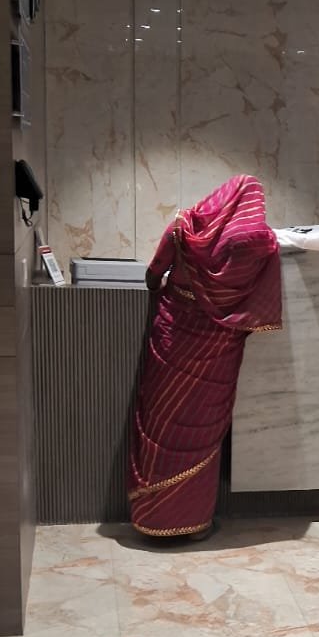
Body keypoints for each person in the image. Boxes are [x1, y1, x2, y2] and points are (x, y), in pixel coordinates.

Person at [129, 175, 281, 539]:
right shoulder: (260, 242)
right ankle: (193, 522)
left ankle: (151, 518)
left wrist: (173, 287)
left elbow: (153, 274)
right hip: (217, 349)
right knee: (201, 433)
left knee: (162, 422)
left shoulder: (184, 226)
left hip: (172, 339)